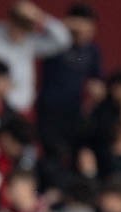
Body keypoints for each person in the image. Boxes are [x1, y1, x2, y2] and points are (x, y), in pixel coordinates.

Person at [0, 0, 70, 115]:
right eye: (19, 26)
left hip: (23, 110)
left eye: (26, 28)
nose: (22, 32)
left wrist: (40, 16)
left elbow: (63, 41)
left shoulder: (30, 40)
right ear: (11, 21)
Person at [34, 2, 98, 164]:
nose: (87, 32)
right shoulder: (56, 43)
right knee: (52, 156)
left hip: (74, 112)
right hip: (50, 111)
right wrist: (68, 24)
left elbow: (96, 80)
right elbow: (51, 29)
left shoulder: (92, 50)